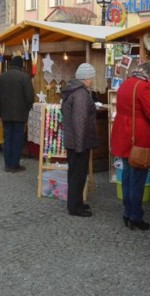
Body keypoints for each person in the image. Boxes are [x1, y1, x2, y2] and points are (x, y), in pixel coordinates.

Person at [110, 60, 150, 231]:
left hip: (123, 133)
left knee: (126, 174)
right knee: (137, 177)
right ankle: (136, 216)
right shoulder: (144, 86)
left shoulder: (127, 82)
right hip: (137, 136)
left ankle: (127, 211)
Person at [61, 63, 98, 218]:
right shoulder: (81, 94)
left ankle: (75, 203)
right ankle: (75, 207)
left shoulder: (72, 90)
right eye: (92, 77)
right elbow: (80, 121)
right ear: (87, 78)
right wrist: (80, 146)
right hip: (78, 143)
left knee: (74, 174)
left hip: (73, 141)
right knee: (78, 175)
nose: (93, 80)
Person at [0, 56, 34, 173]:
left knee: (7, 139)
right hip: (20, 115)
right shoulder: (25, 77)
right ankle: (14, 165)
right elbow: (29, 97)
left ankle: (7, 165)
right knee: (17, 140)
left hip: (6, 114)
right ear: (21, 65)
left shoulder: (2, 77)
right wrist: (27, 109)